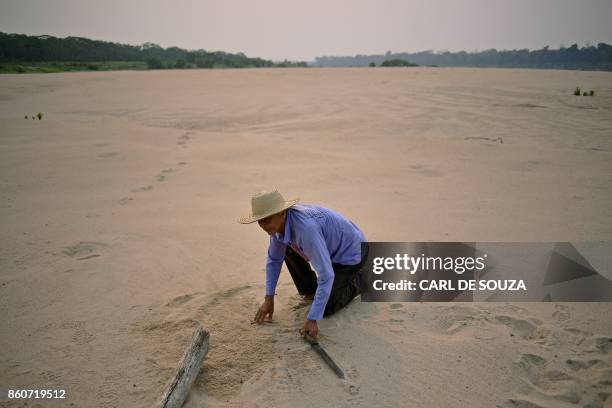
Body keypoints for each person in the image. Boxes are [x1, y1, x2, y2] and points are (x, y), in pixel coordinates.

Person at [239, 190, 368, 338]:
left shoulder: (306, 229)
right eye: (259, 221)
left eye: (266, 220)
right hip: (329, 251)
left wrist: (312, 319)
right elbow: (274, 260)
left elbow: (326, 275)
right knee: (286, 249)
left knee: (325, 308)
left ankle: (362, 280)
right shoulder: (277, 228)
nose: (263, 225)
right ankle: (310, 289)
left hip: (352, 254)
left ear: (282, 213)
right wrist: (269, 299)